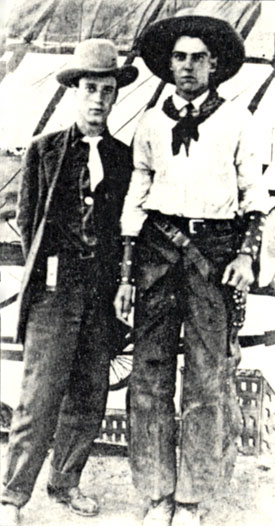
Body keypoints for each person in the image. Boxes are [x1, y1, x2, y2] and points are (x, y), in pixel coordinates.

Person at [114, 13, 270, 526]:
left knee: (206, 380)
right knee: (150, 374)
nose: (186, 66)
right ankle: (157, 493)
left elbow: (254, 197)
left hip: (214, 255)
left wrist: (246, 255)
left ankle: (191, 498)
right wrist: (126, 272)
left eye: (197, 58)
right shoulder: (153, 123)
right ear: (169, 64)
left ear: (215, 65)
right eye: (178, 58)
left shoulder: (238, 121)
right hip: (159, 253)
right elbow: (138, 195)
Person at [0, 38, 137, 526]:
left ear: (115, 95)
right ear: (76, 92)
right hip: (56, 291)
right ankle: (13, 497)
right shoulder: (44, 151)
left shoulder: (125, 157)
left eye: (106, 89)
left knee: (89, 392)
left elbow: (129, 223)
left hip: (101, 291)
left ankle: (66, 483)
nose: (98, 98)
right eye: (89, 89)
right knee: (39, 395)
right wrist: (51, 269)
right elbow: (27, 217)